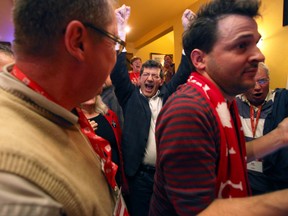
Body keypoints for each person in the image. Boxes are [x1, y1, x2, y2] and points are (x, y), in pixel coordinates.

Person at [149, 0, 288, 215]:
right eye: (242, 45)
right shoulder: (188, 110)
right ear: (199, 59)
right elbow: (200, 212)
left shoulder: (223, 101)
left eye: (256, 43)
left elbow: (233, 154)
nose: (259, 56)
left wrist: (281, 135)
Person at [0, 0, 128, 215]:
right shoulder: (19, 184)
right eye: (113, 41)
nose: (115, 58)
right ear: (78, 42)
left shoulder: (59, 109)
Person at [111, 5, 194, 216]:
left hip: (166, 176)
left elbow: (184, 71)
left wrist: (188, 33)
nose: (149, 79)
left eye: (154, 75)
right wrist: (121, 32)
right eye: (145, 75)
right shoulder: (130, 96)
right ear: (138, 79)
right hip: (138, 177)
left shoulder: (167, 94)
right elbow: (118, 72)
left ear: (160, 79)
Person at [236, 62, 288, 194]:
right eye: (251, 82)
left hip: (273, 183)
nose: (257, 87)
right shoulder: (233, 104)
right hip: (243, 179)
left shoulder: (282, 101)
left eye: (262, 81)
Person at [81, 95, 128, 194]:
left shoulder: (109, 115)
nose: (90, 92)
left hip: (116, 180)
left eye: (93, 88)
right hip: (93, 183)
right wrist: (84, 135)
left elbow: (120, 147)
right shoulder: (76, 122)